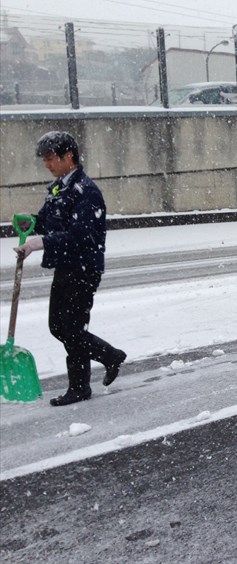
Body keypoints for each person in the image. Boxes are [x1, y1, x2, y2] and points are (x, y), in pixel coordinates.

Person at [14, 131, 126, 406]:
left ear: (69, 157)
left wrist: (39, 243)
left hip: (84, 269)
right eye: (44, 159)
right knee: (59, 327)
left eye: (51, 158)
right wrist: (32, 222)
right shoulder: (59, 188)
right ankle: (101, 364)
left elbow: (80, 237)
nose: (47, 164)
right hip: (66, 266)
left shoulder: (86, 191)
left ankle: (90, 376)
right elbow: (50, 220)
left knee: (71, 328)